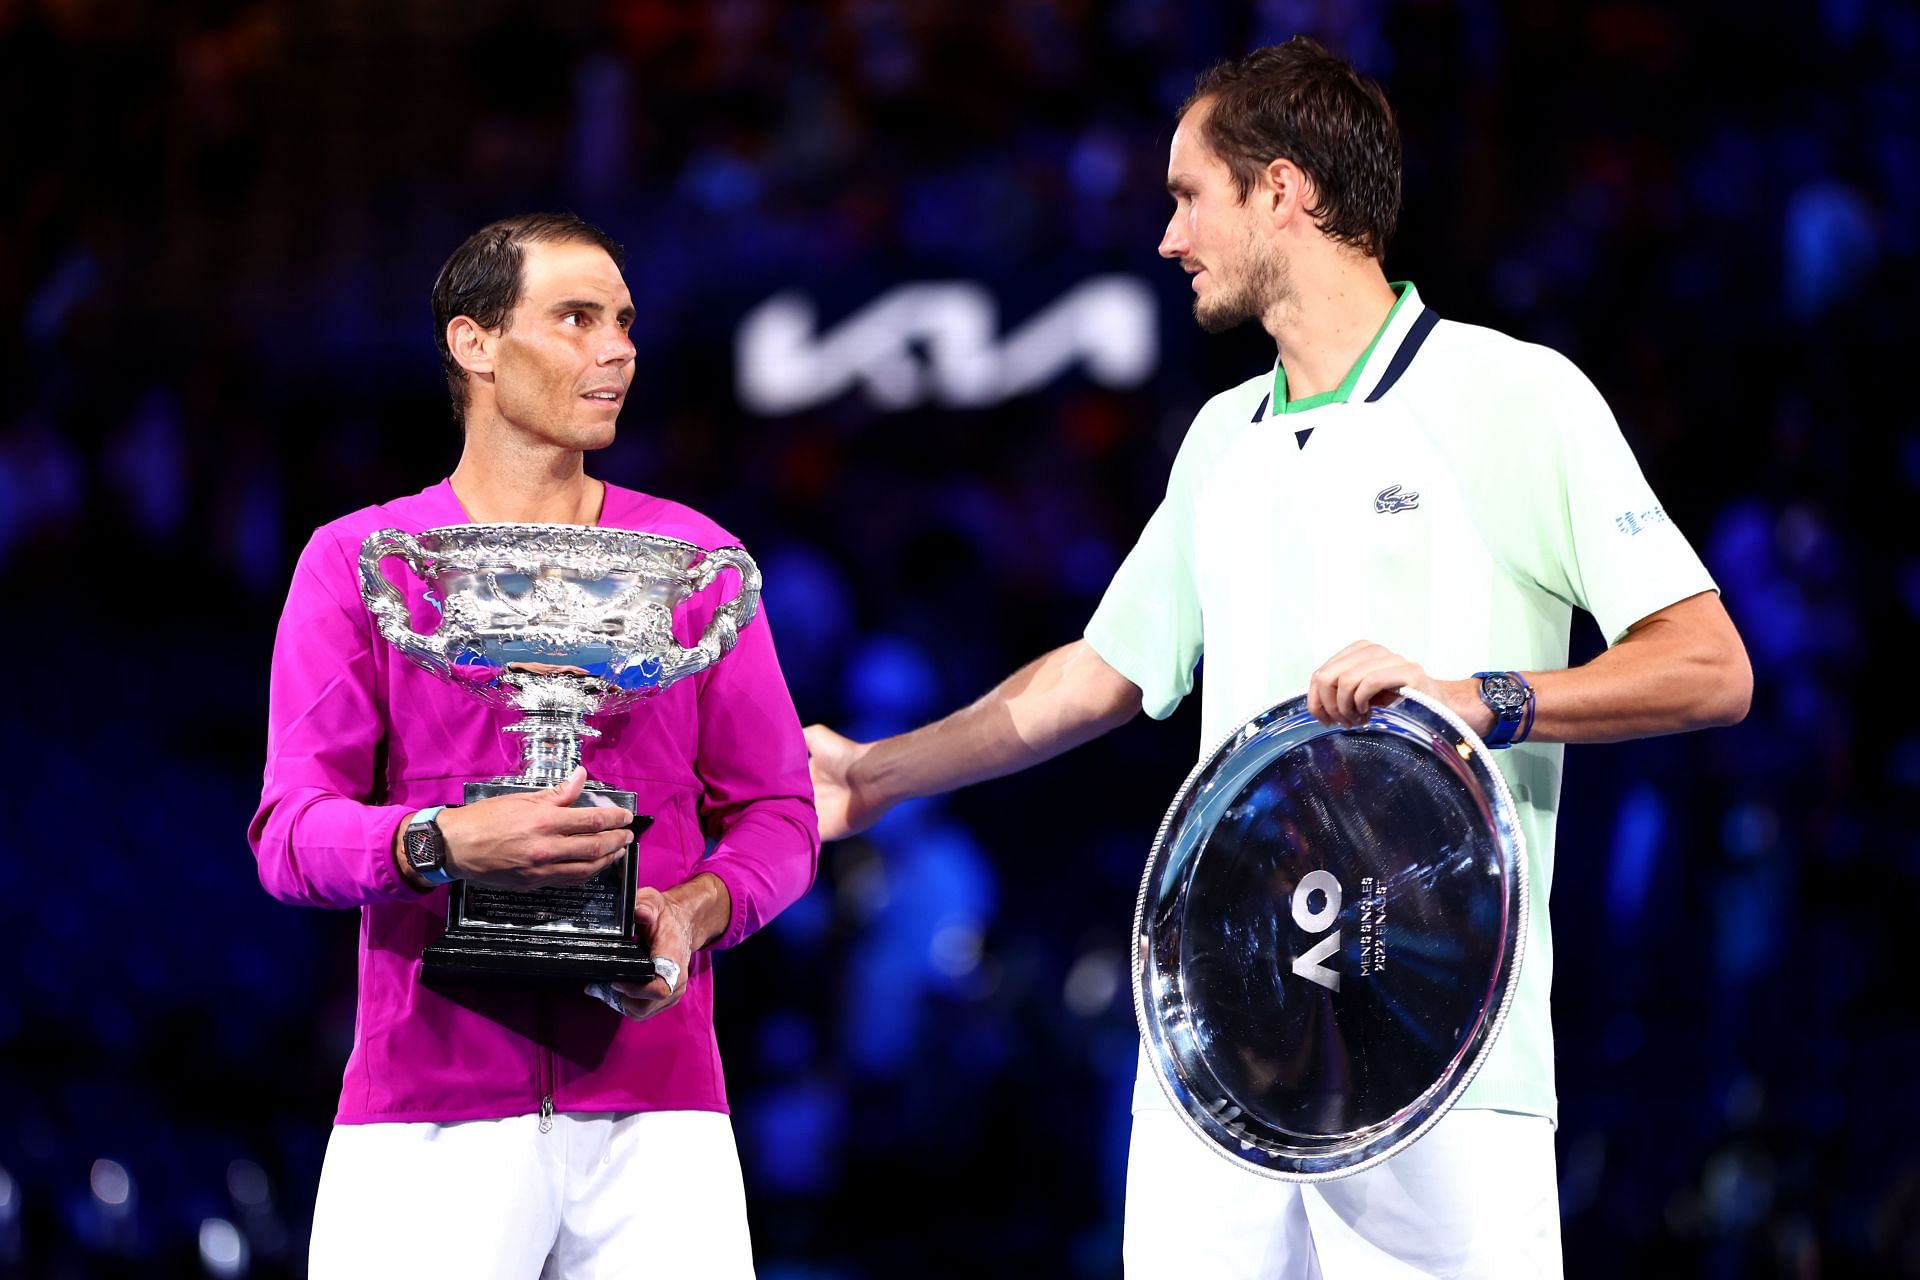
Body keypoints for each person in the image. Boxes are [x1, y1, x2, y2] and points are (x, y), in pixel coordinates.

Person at [804, 38, 1751, 1279]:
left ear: (1284, 190)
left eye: (1189, 195)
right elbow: (1099, 671)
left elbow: (1709, 665)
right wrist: (876, 776)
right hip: (1225, 1060)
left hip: (1444, 1057)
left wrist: (1477, 699)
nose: (1167, 237)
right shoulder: (1220, 436)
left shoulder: (1517, 395)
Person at [249, 212, 817, 1279]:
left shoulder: (691, 564)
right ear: (476, 344)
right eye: (576, 318)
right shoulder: (365, 562)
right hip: (427, 1106)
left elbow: (781, 815)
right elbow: (290, 835)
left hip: (660, 1111)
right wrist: (443, 840)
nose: (617, 349)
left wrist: (690, 913)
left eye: (624, 323)